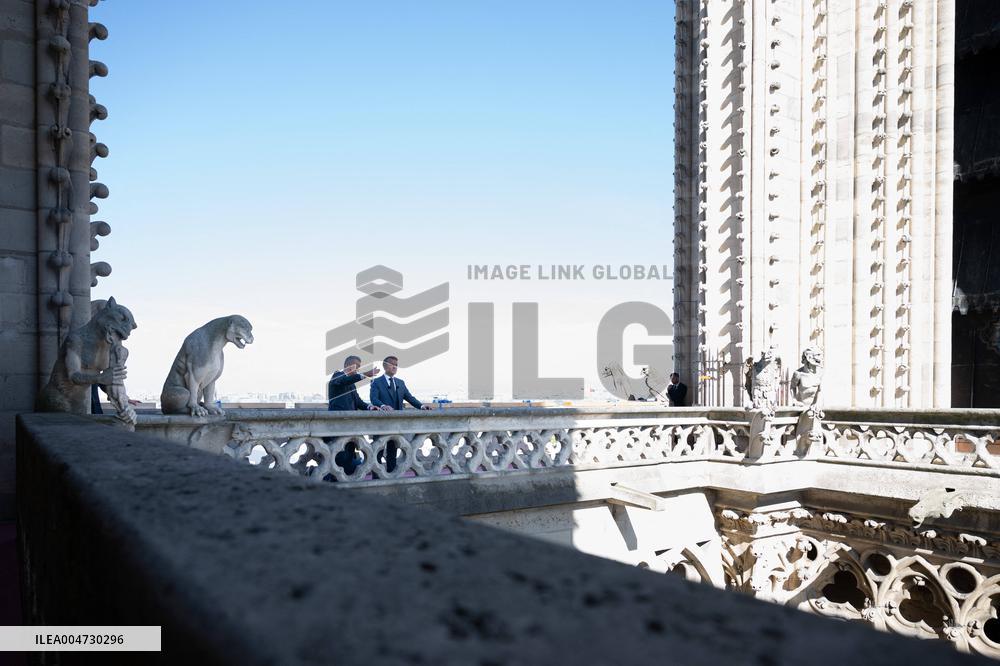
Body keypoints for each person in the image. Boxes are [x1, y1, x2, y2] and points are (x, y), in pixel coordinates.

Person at [369, 355, 432, 472]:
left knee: (393, 450)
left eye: (396, 365)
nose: (394, 367)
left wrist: (422, 406)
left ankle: (391, 474)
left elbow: (410, 398)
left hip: (396, 423)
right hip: (381, 423)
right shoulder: (376, 382)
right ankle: (376, 476)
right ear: (384, 366)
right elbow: (374, 399)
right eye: (392, 364)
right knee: (378, 450)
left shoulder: (400, 383)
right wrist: (382, 406)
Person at [328, 355, 381, 474]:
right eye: (357, 366)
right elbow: (343, 380)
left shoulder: (352, 383)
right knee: (339, 456)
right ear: (348, 365)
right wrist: (365, 374)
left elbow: (357, 401)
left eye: (359, 367)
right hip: (337, 426)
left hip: (351, 425)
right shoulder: (337, 376)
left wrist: (370, 407)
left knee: (349, 453)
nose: (358, 370)